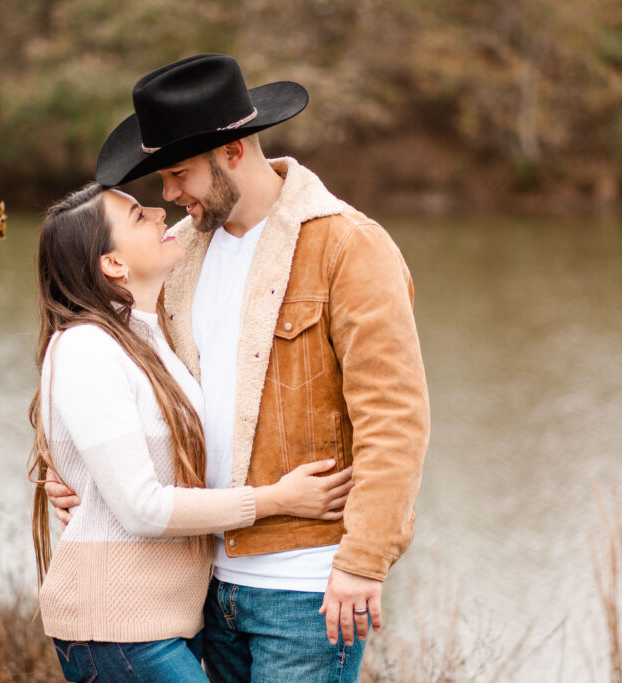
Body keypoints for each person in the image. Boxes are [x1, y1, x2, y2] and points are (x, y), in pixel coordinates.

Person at [47, 53, 430, 682]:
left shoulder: (346, 245)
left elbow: (396, 417)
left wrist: (363, 561)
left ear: (232, 152)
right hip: (199, 591)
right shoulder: (180, 258)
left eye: (177, 174)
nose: (167, 196)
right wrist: (71, 477)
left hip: (303, 591)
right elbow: (113, 382)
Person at [28, 182, 355, 682]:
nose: (160, 212)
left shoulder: (148, 336)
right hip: (113, 626)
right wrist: (277, 499)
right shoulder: (85, 347)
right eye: (139, 216)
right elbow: (142, 507)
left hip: (165, 618)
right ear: (113, 264)